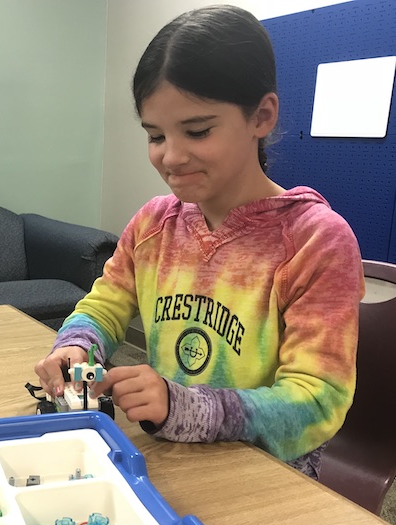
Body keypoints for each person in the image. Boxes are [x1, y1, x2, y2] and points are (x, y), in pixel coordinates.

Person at [34, 5, 364, 479]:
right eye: (154, 135)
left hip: (267, 477)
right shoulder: (154, 223)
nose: (171, 157)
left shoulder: (314, 240)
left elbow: (316, 402)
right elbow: (104, 305)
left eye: (197, 131)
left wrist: (183, 406)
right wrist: (75, 346)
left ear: (262, 116)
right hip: (169, 455)